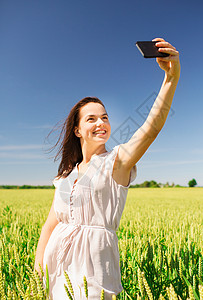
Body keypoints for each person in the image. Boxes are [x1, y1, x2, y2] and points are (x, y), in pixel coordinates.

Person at [34, 37, 180, 299]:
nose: (101, 122)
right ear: (78, 130)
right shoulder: (66, 175)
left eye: (105, 117)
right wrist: (39, 267)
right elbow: (49, 225)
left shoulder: (118, 160)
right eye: (91, 118)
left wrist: (171, 79)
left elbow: (151, 128)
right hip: (56, 266)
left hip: (94, 266)